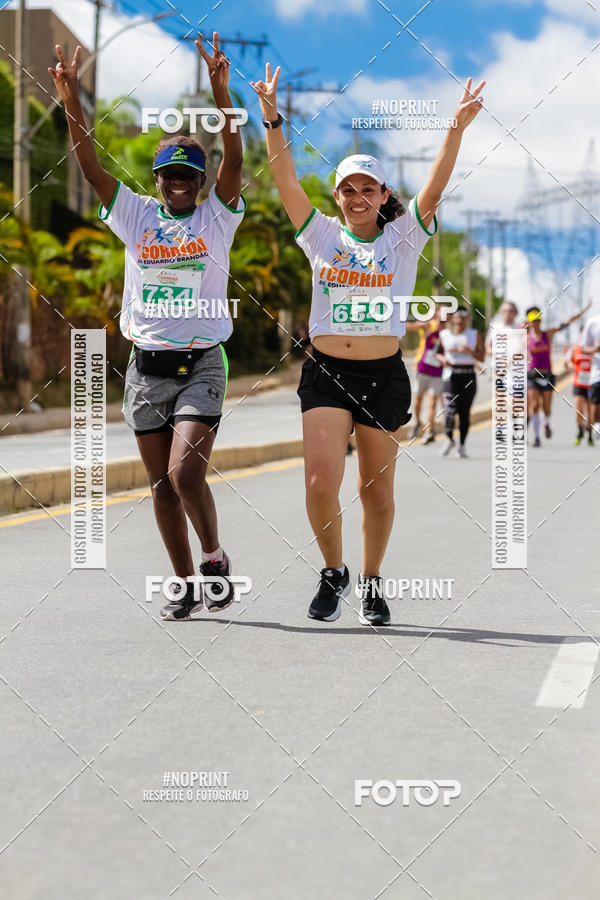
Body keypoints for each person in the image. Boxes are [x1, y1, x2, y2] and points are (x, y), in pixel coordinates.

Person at [251, 63, 485, 625]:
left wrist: (455, 128)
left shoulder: (403, 239)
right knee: (317, 483)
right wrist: (271, 118)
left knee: (376, 494)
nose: (358, 197)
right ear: (337, 197)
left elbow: (435, 186)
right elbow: (284, 178)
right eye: (348, 189)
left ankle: (373, 581)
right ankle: (334, 572)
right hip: (326, 373)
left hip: (384, 376)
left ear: (383, 196)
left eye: (368, 189)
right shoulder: (320, 235)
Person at [49, 35, 245, 621]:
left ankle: (213, 558)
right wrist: (70, 103)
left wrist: (221, 96)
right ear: (157, 179)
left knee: (187, 473)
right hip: (145, 366)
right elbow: (89, 163)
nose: (179, 180)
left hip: (202, 363)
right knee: (159, 485)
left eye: (189, 173)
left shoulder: (219, 215)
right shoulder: (134, 214)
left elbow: (234, 157)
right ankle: (183, 583)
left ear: (202, 180)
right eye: (169, 173)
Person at [525, 302, 590, 447]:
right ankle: (536, 436)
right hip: (532, 374)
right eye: (533, 320)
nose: (536, 323)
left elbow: (565, 323)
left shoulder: (547, 334)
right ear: (529, 321)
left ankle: (546, 423)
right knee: (534, 405)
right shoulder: (526, 337)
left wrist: (583, 310)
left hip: (547, 374)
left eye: (538, 320)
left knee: (546, 407)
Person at [436, 307, 484, 457]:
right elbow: (437, 353)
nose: (461, 318)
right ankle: (449, 438)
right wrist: (443, 359)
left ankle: (462, 445)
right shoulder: (444, 334)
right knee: (449, 410)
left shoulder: (473, 334)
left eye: (464, 315)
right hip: (451, 375)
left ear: (468, 318)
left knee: (464, 413)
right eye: (458, 315)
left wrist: (470, 350)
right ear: (453, 317)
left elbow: (481, 357)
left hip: (468, 375)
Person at [405, 306, 443, 444]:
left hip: (438, 370)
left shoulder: (449, 330)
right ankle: (417, 422)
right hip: (422, 367)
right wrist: (420, 324)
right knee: (418, 400)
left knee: (432, 401)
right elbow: (406, 326)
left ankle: (428, 431)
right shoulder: (428, 325)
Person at [566, 341, 594, 445]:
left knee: (590, 411)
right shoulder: (575, 349)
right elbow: (568, 362)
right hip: (578, 384)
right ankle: (580, 431)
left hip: (591, 384)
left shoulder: (595, 349)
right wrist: (570, 365)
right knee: (579, 410)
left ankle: (590, 434)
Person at [581, 310, 600, 442]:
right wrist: (595, 349)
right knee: (595, 411)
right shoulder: (593, 322)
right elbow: (583, 348)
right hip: (597, 374)